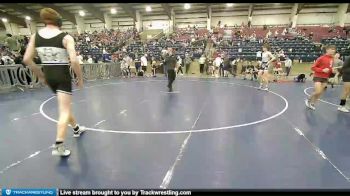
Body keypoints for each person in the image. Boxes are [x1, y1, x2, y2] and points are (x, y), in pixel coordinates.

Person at [23, 8, 85, 157]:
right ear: (59, 21)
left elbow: (26, 59)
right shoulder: (66, 37)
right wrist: (80, 78)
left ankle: (76, 128)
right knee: (64, 110)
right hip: (62, 75)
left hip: (49, 75)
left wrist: (41, 76)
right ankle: (59, 144)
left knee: (65, 106)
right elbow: (74, 60)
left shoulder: (34, 36)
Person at [305, 45, 336, 110]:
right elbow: (313, 67)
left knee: (320, 92)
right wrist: (322, 70)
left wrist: (332, 71)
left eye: (334, 49)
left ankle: (313, 103)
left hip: (325, 77)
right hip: (318, 76)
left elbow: (329, 69)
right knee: (318, 91)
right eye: (332, 49)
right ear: (327, 50)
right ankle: (308, 100)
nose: (333, 51)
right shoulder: (321, 58)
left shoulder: (332, 59)